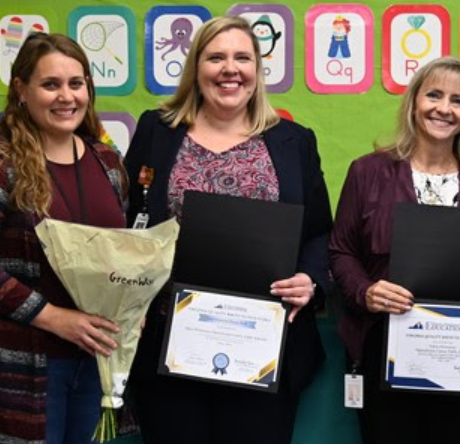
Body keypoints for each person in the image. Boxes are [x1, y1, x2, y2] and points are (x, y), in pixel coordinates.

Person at [123, 16, 332, 444]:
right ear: (196, 68)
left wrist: (310, 280)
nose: (229, 69)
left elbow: (320, 233)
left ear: (258, 70)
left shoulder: (294, 141)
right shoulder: (156, 132)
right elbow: (127, 219)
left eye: (242, 57)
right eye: (215, 57)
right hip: (170, 346)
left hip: (264, 346)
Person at [0, 33, 128, 444]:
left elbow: (124, 253)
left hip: (95, 360)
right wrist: (55, 318)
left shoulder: (107, 161)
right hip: (23, 369)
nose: (66, 96)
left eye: (76, 84)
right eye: (51, 84)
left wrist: (134, 303)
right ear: (21, 90)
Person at [329, 57, 460, 443]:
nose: (443, 108)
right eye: (434, 95)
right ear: (413, 103)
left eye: (457, 100)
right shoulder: (368, 171)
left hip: (459, 353)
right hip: (382, 345)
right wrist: (366, 291)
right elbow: (340, 251)